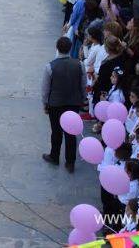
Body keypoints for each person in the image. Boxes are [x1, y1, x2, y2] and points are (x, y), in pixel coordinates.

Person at [41, 36, 85, 173]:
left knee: (56, 131)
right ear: (70, 48)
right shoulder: (79, 65)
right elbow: (83, 84)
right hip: (73, 103)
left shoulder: (50, 66)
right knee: (71, 133)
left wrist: (45, 103)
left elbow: (45, 89)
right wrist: (82, 98)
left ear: (57, 48)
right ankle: (70, 162)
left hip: (55, 103)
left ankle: (54, 156)